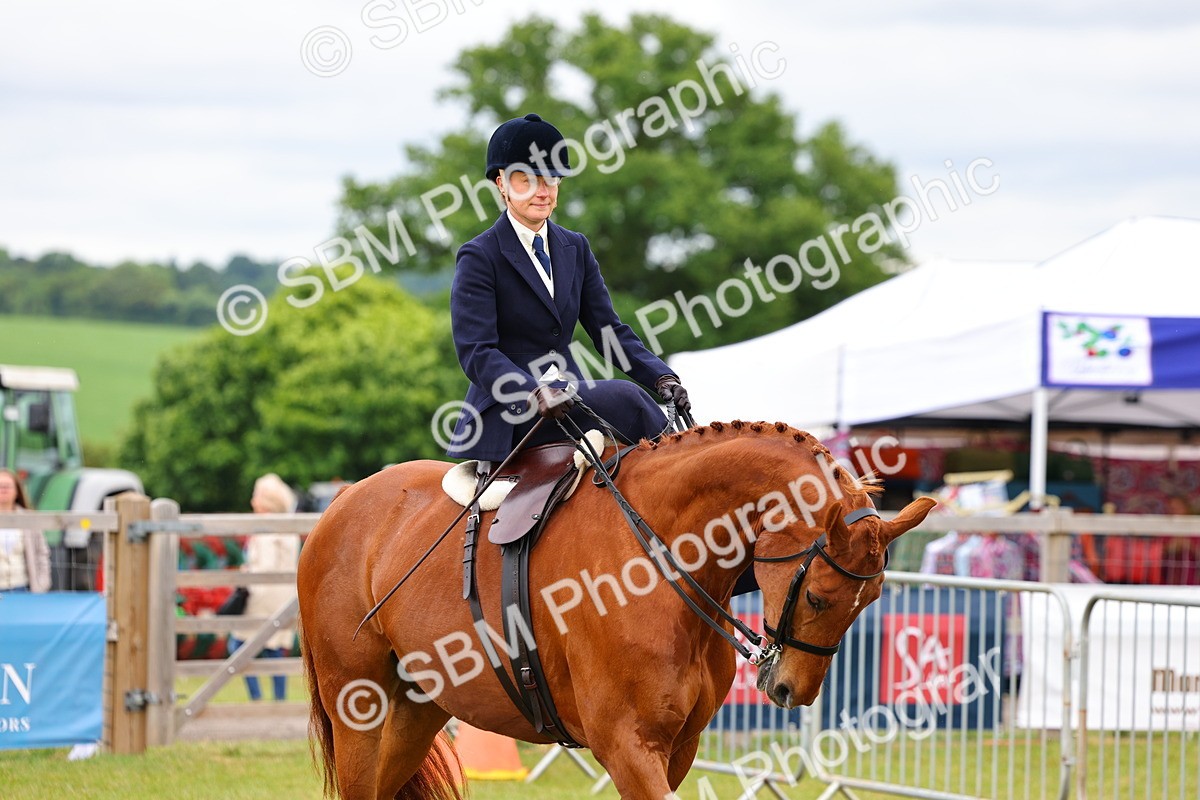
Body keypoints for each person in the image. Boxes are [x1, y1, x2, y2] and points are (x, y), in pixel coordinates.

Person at [446, 112, 691, 462]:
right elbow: (477, 352)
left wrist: (660, 377)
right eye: (527, 180)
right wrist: (533, 390)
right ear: (501, 183)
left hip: (570, 397)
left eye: (551, 179)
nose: (543, 192)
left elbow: (608, 331)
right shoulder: (479, 255)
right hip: (511, 408)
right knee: (629, 399)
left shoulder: (575, 246)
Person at [230, 474, 300, 701]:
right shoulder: (288, 527)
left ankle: (256, 698)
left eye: (256, 495)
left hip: (261, 597)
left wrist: (246, 571)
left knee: (239, 646)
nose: (252, 501)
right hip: (283, 597)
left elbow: (266, 566)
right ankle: (279, 700)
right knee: (274, 649)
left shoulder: (265, 528)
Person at [0, 468, 51, 594]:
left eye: (8, 486)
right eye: (0, 486)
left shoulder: (29, 519)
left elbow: (42, 553)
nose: (4, 489)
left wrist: (42, 585)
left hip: (22, 588)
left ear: (17, 491)